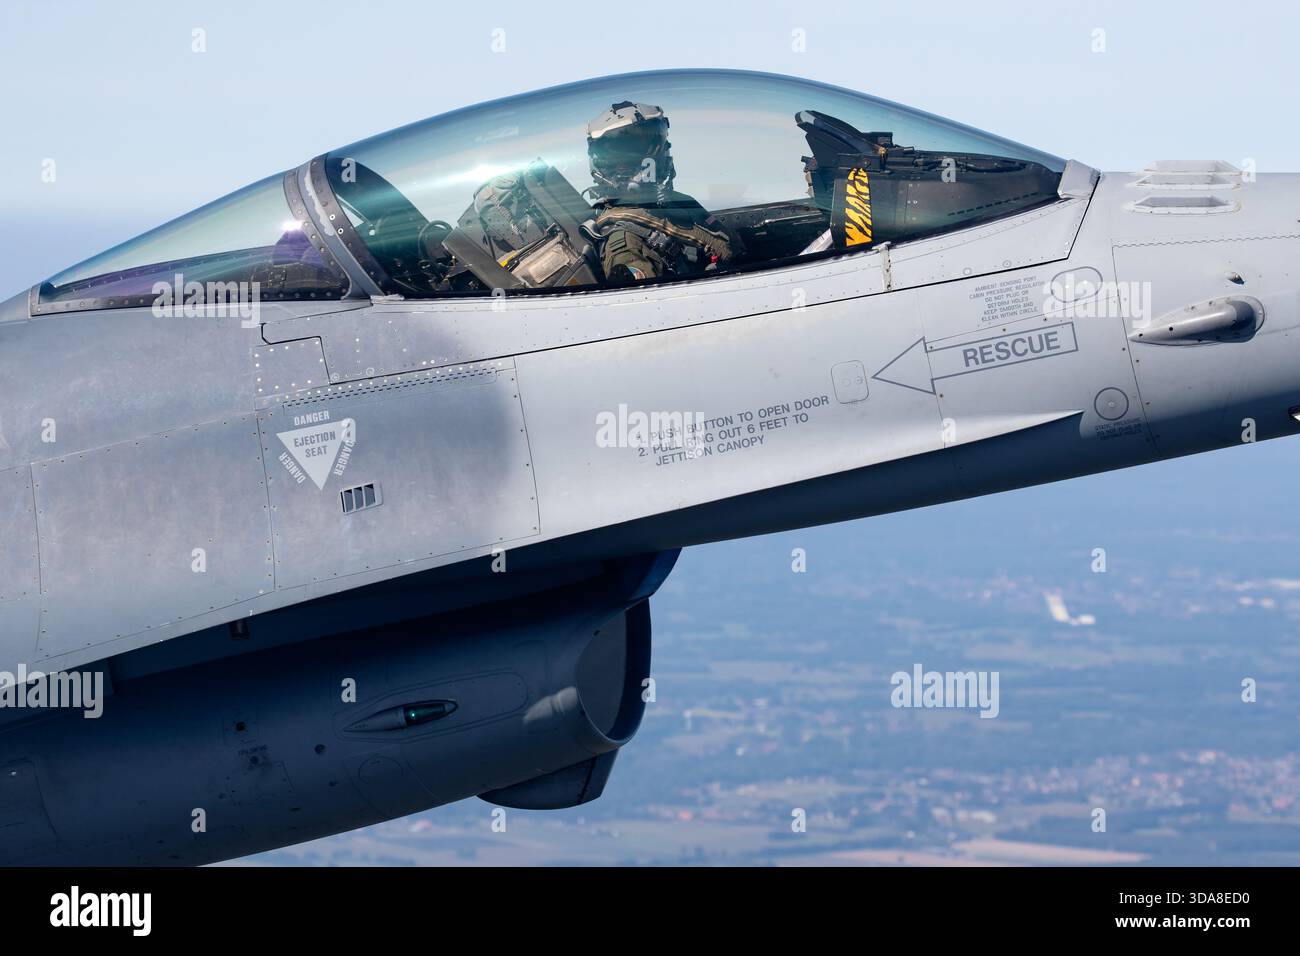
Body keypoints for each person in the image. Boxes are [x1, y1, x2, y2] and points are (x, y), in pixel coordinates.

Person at [584, 101, 742, 283]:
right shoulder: (625, 241)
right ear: (607, 164)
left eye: (655, 139)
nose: (660, 151)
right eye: (632, 150)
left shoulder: (677, 202)